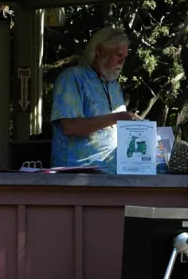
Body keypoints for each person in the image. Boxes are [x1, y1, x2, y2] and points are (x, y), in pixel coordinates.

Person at [50, 26, 142, 171]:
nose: (122, 62)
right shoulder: (72, 78)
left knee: (159, 165)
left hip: (111, 164)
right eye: (118, 55)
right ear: (99, 50)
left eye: (124, 58)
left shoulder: (114, 86)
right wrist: (118, 117)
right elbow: (70, 126)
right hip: (80, 169)